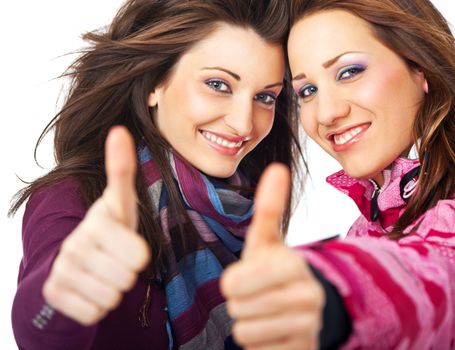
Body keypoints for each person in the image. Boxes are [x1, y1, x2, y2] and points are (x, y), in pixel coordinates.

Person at [9, 0, 302, 349]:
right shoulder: (75, 195)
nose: (243, 123)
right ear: (155, 83)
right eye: (218, 84)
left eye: (265, 97)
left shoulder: (244, 206)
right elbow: (39, 331)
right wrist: (62, 295)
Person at [221, 0, 455, 349]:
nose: (327, 113)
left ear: (419, 68)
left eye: (349, 72)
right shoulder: (369, 224)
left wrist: (327, 294)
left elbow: (436, 272)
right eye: (308, 91)